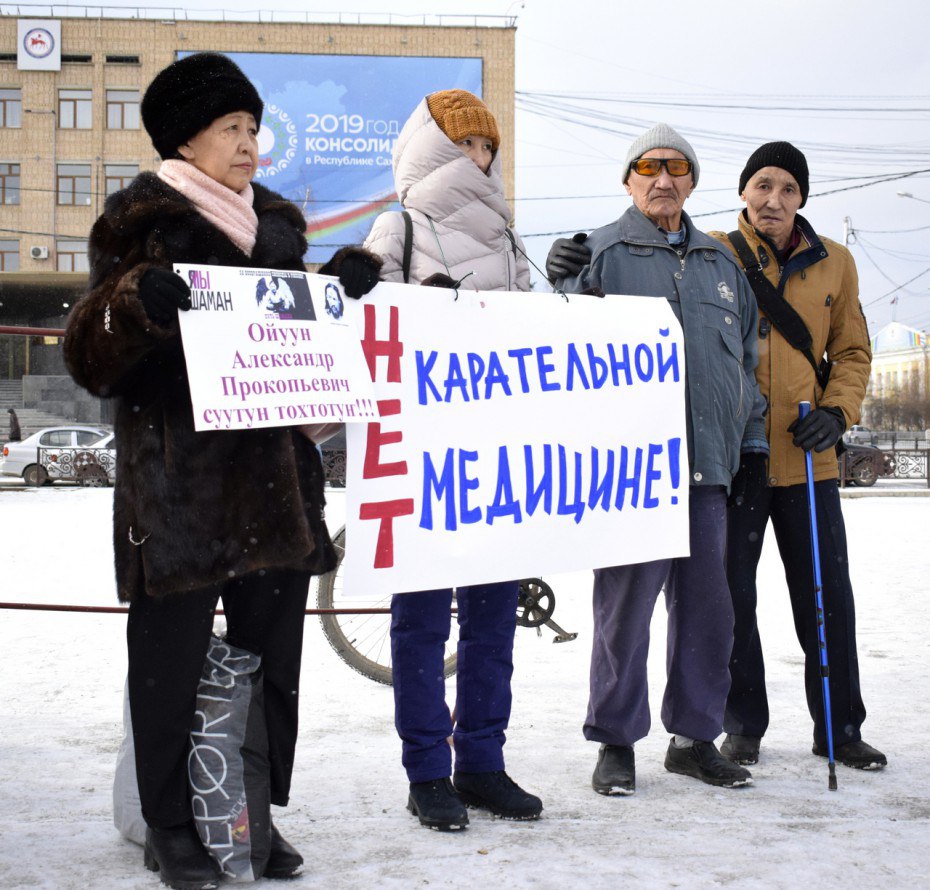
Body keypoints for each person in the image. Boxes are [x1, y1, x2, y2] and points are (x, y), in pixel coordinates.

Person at [63, 53, 380, 889]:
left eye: (253, 127)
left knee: (272, 665)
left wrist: (337, 290)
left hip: (275, 491)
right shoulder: (138, 225)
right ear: (184, 140)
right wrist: (134, 305)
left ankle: (250, 813)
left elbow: (293, 339)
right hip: (180, 493)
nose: (249, 143)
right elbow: (88, 354)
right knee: (168, 667)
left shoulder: (276, 227)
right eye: (230, 128)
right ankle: (170, 824)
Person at [546, 123, 767, 793]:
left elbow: (746, 366)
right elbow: (554, 347)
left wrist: (751, 445)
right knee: (625, 611)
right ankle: (615, 741)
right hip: (632, 474)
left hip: (708, 470)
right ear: (628, 179)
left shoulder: (723, 265)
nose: (663, 179)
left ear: (692, 182)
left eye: (677, 168)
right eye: (649, 167)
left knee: (708, 611)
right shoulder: (599, 254)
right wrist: (561, 285)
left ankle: (694, 739)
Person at [363, 89, 540, 831]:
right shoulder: (398, 226)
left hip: (495, 456)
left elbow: (536, 339)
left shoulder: (507, 237)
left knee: (494, 621)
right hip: (423, 457)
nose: (479, 156)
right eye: (464, 142)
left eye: (486, 145)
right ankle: (428, 771)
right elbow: (367, 328)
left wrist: (566, 297)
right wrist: (422, 316)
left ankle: (483, 762)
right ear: (431, 148)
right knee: (424, 624)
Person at [706, 142, 885, 770]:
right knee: (733, 599)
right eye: (763, 185)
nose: (773, 199)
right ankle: (742, 726)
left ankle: (839, 728)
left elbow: (853, 352)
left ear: (802, 197)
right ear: (743, 192)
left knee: (826, 596)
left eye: (787, 188)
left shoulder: (836, 263)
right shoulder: (713, 252)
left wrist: (837, 412)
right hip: (737, 459)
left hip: (812, 462)